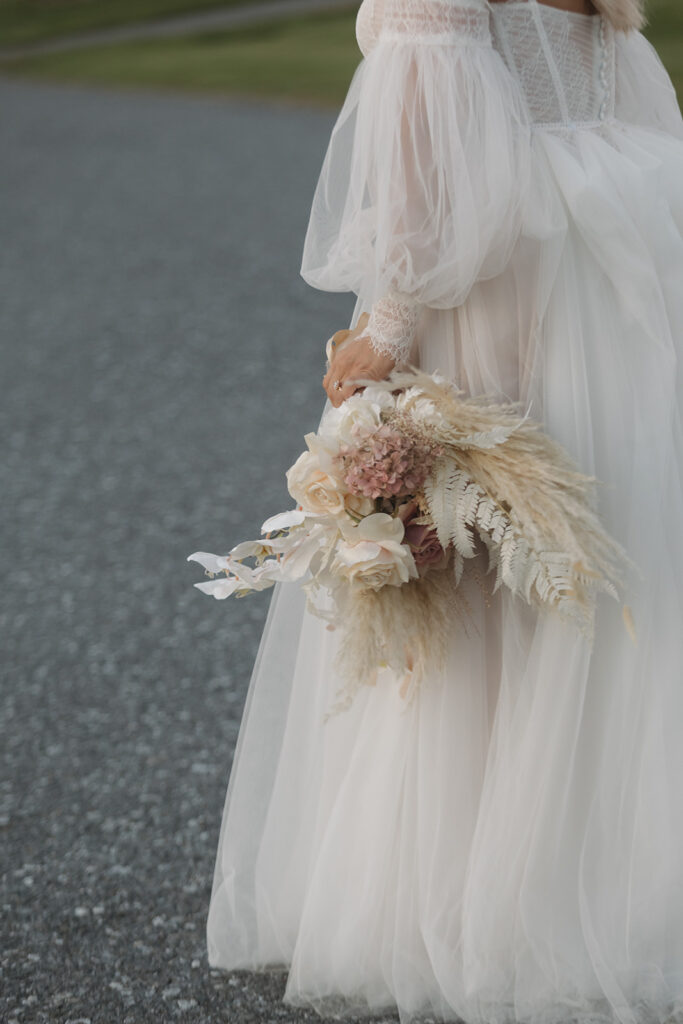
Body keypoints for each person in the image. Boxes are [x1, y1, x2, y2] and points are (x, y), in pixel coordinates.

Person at [205, 1, 683, 1021]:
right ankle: (596, 881)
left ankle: (486, 898)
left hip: (499, 283)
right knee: (594, 560)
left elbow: (429, 164)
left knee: (480, 570)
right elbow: (643, 119)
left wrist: (386, 327)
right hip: (600, 271)